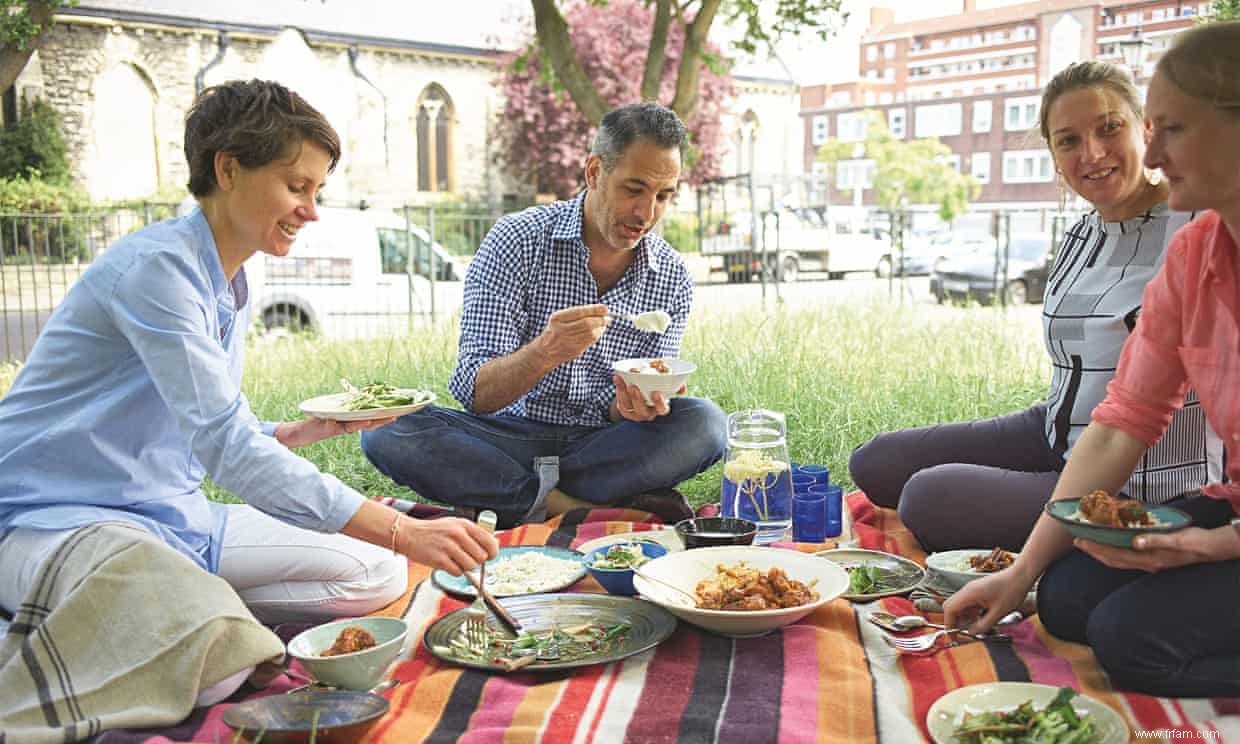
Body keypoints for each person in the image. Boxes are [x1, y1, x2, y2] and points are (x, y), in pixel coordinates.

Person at [0, 79, 497, 702]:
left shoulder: (229, 281)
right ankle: (151, 618)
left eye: (316, 191)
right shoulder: (157, 270)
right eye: (296, 187)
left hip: (172, 520)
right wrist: (403, 528)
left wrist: (291, 435)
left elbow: (201, 433)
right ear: (228, 169)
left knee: (373, 571)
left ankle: (171, 613)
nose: (310, 210)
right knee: (221, 667)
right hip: (56, 521)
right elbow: (226, 450)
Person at [945, 22, 1240, 699]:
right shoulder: (1195, 256)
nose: (1153, 154)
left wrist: (1217, 548)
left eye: (1173, 130)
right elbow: (1121, 421)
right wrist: (1018, 575)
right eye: (1153, 128)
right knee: (1066, 600)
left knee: (1129, 641)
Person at [848, 60, 1222, 553]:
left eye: (1109, 129)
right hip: (1052, 430)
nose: (1091, 153)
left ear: (1146, 130)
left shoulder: (1200, 227)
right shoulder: (1080, 234)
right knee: (874, 461)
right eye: (1068, 140)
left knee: (927, 498)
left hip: (1140, 473)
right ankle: (1034, 484)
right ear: (1053, 153)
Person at [362, 102, 727, 527]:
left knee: (705, 424)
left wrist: (633, 407)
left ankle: (510, 499)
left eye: (663, 196)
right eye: (634, 189)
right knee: (386, 427)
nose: (646, 213)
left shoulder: (671, 277)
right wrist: (544, 352)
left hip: (600, 448)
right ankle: (569, 509)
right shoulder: (516, 240)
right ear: (594, 172)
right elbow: (474, 392)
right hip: (504, 438)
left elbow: (626, 407)